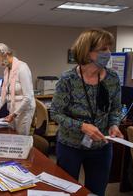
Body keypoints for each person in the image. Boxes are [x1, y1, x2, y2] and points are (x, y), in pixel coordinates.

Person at [50, 29, 124, 196]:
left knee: (97, 191)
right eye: (103, 49)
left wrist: (114, 124)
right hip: (70, 146)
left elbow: (116, 109)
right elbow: (55, 113)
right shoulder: (68, 79)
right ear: (88, 52)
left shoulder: (112, 78)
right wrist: (82, 126)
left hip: (102, 146)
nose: (109, 53)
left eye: (109, 48)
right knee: (66, 190)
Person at [0, 43, 35, 135]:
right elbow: (4, 94)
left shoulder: (22, 68)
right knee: (13, 136)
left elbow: (28, 97)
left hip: (23, 111)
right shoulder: (7, 70)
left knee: (21, 139)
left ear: (6, 55)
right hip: (12, 110)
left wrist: (15, 114)